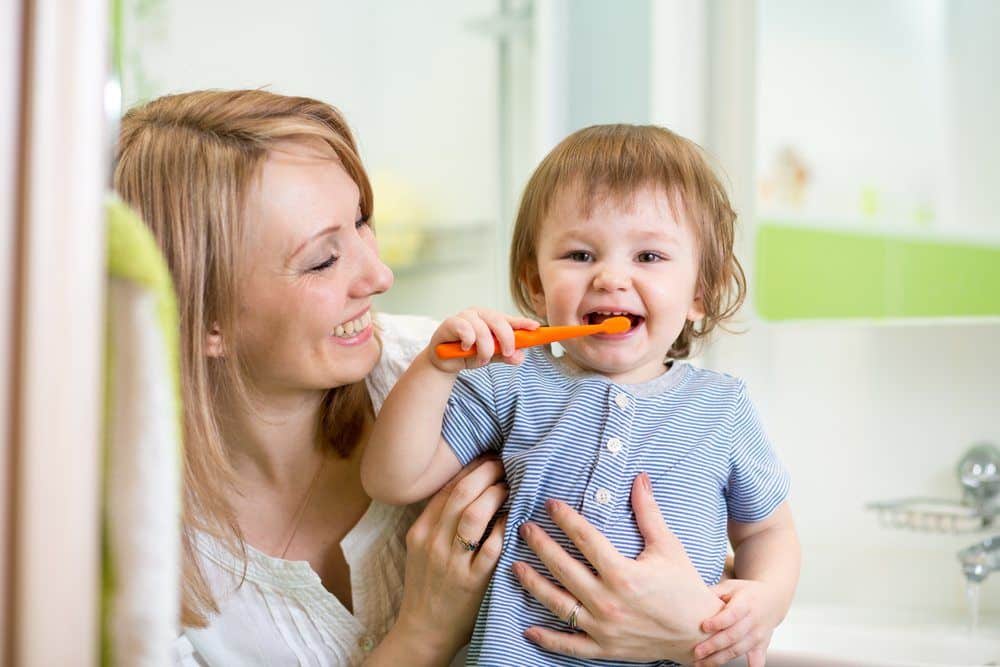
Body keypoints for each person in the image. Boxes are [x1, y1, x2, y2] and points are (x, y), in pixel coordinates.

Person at [114, 90, 732, 666]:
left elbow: (700, 557)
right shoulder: (117, 539)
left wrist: (692, 629)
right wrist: (424, 634)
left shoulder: (468, 376)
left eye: (362, 223)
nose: (379, 275)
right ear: (203, 321)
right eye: (323, 260)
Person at [363, 124, 801, 666]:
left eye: (648, 257)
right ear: (536, 283)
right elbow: (392, 478)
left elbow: (768, 531)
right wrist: (434, 368)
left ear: (700, 292)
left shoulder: (722, 407)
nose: (611, 278)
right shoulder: (509, 381)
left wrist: (767, 601)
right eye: (579, 255)